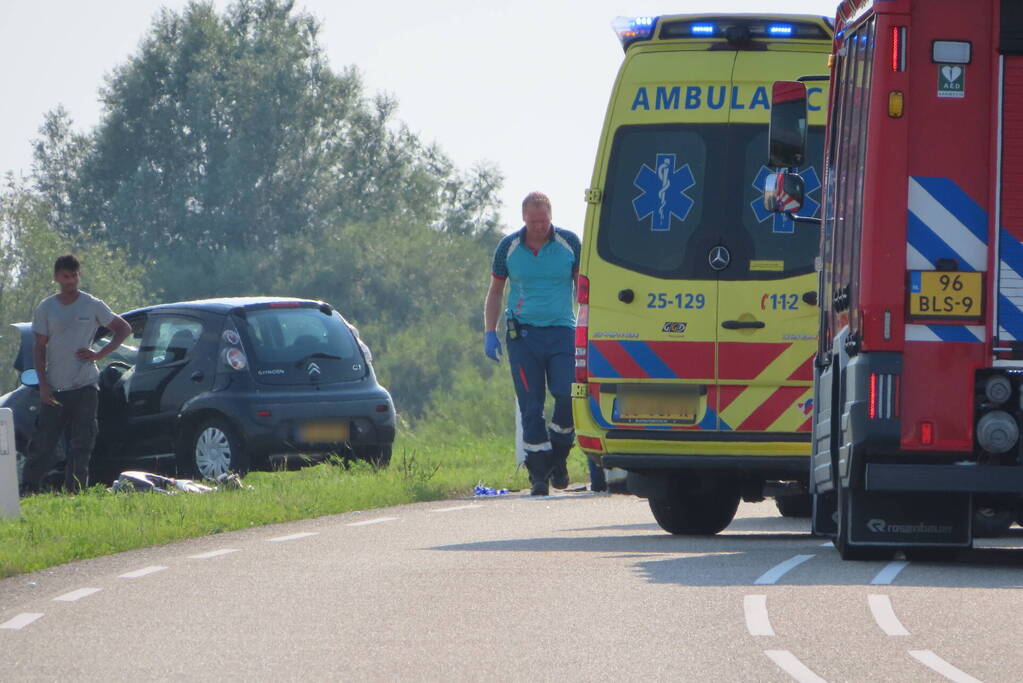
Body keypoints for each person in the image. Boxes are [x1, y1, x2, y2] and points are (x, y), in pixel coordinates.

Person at [484, 192, 580, 496]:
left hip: (563, 332)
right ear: (524, 218)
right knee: (531, 405)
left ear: (551, 216)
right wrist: (490, 331)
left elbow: (584, 286)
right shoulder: (508, 247)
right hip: (524, 336)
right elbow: (496, 291)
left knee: (566, 395)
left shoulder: (569, 244)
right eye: (533, 221)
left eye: (544, 221)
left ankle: (559, 457)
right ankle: (538, 474)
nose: (540, 227)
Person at [19, 254, 131, 495]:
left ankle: (76, 491)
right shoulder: (47, 308)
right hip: (56, 387)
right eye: (65, 276)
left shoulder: (92, 304)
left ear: (79, 276)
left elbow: (123, 328)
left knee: (82, 442)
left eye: (74, 276)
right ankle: (28, 488)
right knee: (44, 442)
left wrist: (100, 354)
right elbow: (39, 348)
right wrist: (43, 385)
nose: (70, 281)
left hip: (85, 385)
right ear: (56, 277)